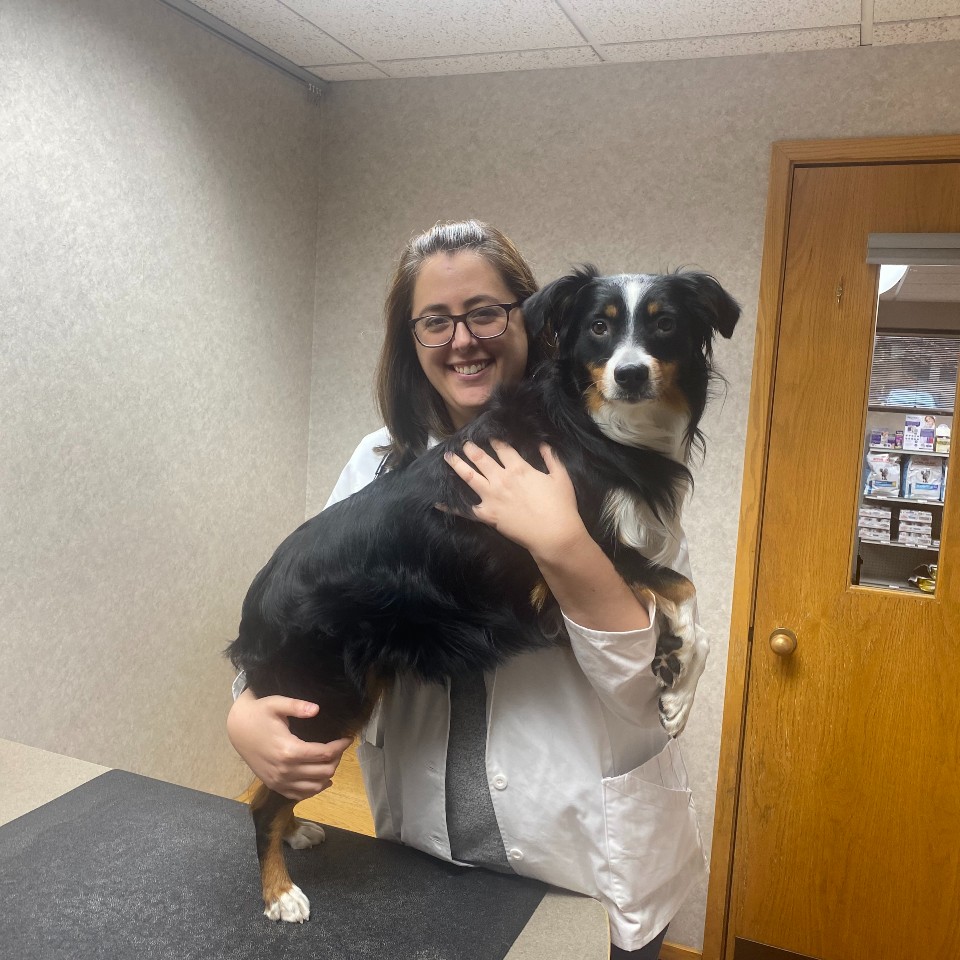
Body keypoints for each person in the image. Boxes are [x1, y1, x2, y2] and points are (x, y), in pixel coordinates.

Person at [227, 220, 706, 957]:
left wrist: (565, 545)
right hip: (421, 854)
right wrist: (246, 713)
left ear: (536, 320)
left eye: (486, 311)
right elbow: (314, 614)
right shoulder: (377, 465)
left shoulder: (623, 463)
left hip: (581, 864)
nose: (463, 339)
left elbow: (649, 692)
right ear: (410, 340)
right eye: (434, 321)